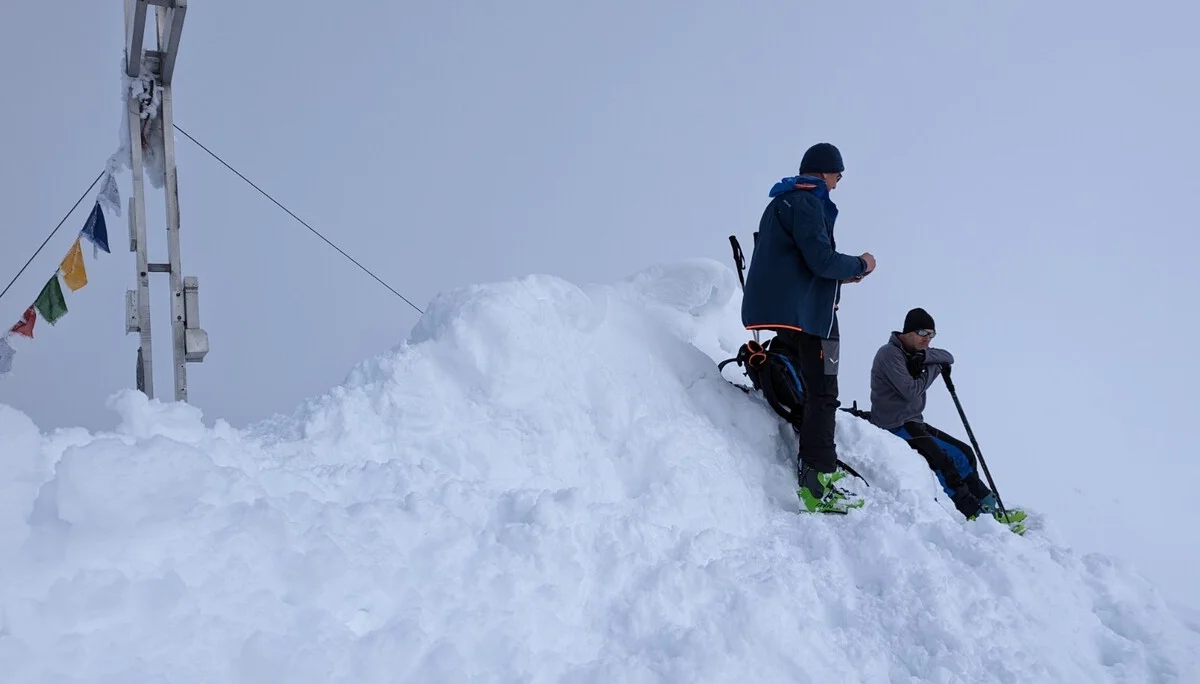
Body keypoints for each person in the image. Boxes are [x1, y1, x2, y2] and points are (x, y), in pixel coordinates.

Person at [741, 142, 876, 514]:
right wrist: (861, 265)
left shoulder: (783, 203)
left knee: (812, 390)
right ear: (824, 171)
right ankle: (818, 481)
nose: (838, 183)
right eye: (838, 175)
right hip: (812, 320)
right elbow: (820, 260)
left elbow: (798, 263)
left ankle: (816, 470)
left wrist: (840, 278)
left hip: (790, 313)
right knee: (823, 394)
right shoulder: (807, 202)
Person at [868, 307, 1027, 530]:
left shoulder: (914, 353)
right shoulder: (889, 354)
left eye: (932, 335)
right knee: (944, 460)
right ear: (908, 331)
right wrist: (932, 369)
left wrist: (925, 358)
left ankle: (989, 504)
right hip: (894, 423)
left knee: (964, 453)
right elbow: (910, 391)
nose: (927, 339)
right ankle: (974, 513)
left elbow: (947, 356)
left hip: (913, 421)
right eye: (923, 333)